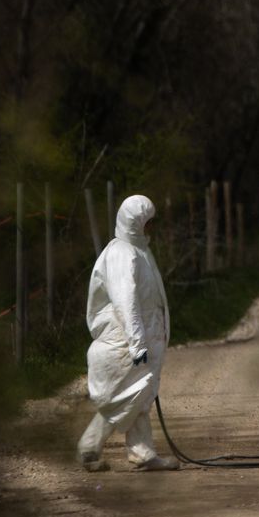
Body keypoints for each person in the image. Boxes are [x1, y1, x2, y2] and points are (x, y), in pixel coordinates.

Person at [77, 195, 179, 472]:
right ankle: (89, 445)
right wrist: (137, 345)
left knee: (137, 395)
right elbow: (126, 302)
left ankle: (142, 453)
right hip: (123, 341)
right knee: (125, 396)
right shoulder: (122, 254)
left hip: (135, 338)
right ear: (137, 223)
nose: (152, 229)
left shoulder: (139, 251)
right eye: (149, 223)